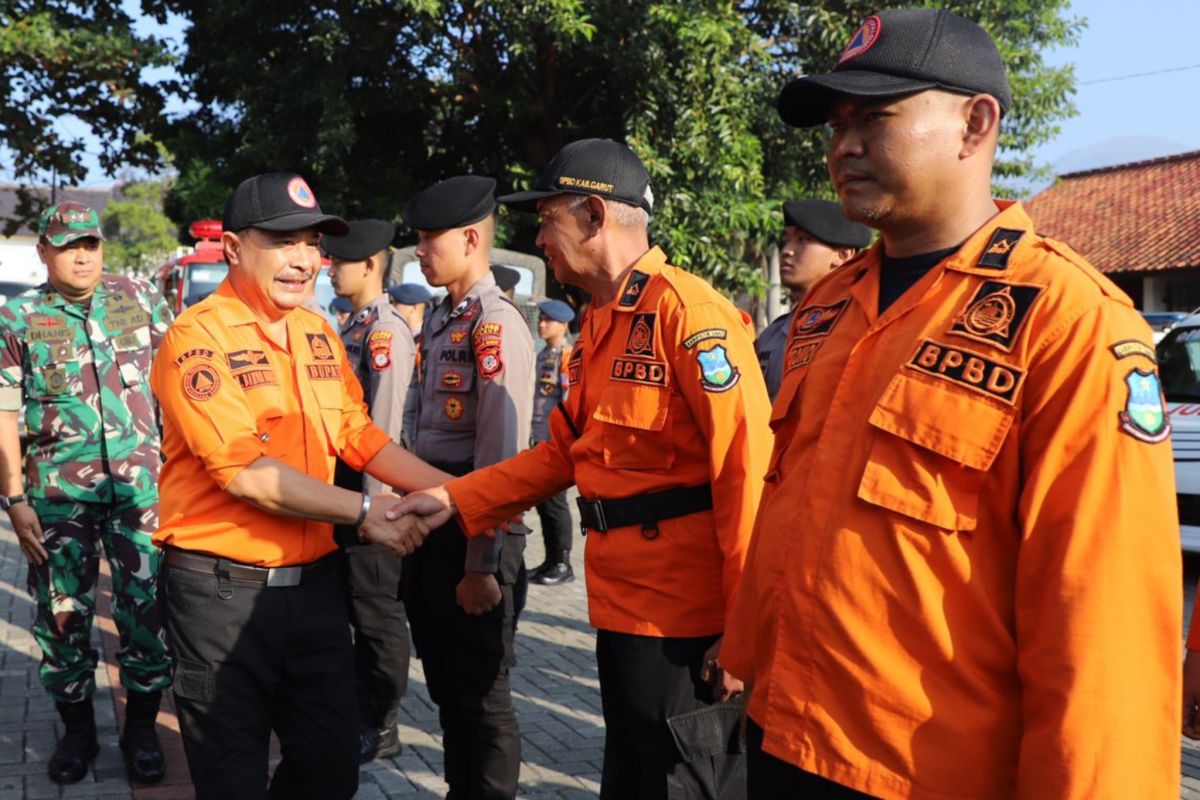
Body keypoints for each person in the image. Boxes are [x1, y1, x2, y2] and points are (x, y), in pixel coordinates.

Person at [716, 9, 1180, 799]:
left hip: (926, 777)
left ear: (976, 124)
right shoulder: (826, 307)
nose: (844, 146)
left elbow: (1104, 636)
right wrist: (742, 659)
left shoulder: (1069, 323)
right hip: (782, 738)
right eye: (836, 124)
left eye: (875, 117)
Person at [394, 138, 772, 799]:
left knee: (679, 783)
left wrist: (745, 633)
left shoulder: (691, 315)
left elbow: (748, 475)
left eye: (548, 218)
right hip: (624, 607)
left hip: (686, 622)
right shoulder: (604, 321)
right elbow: (562, 454)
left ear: (595, 216)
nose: (540, 237)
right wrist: (455, 501)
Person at [149, 172, 445, 800]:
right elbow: (245, 473)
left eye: (313, 242)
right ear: (232, 248)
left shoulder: (317, 332)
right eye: (283, 241)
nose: (305, 259)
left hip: (313, 592)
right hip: (220, 598)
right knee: (231, 778)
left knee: (329, 767)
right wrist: (365, 511)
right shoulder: (194, 339)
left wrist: (457, 493)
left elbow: (358, 435)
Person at [0, 202, 173, 786]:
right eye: (68, 245)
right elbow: (2, 414)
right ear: (44, 251)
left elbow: (177, 382)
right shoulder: (17, 317)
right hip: (56, 498)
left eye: (91, 244)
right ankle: (77, 732)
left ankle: (142, 729)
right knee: (62, 614)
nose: (82, 255)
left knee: (146, 610)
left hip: (141, 490)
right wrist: (14, 499)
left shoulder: (141, 297)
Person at [401, 174, 535, 799]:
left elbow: (500, 457)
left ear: (473, 238)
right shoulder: (441, 318)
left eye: (431, 239)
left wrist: (482, 563)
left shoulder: (494, 322)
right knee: (450, 687)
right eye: (419, 239)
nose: (420, 251)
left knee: (483, 696)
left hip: (476, 532)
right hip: (437, 523)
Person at [323, 219, 417, 762]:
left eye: (339, 262)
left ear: (369, 265)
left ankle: (383, 725)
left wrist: (376, 510)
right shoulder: (353, 326)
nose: (329, 269)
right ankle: (362, 708)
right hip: (346, 497)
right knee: (357, 612)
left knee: (378, 617)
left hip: (373, 501)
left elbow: (378, 433)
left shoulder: (384, 332)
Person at [755, 200, 869, 400]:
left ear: (842, 255)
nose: (787, 251)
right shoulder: (772, 335)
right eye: (786, 240)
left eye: (802, 240)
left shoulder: (861, 328)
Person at [527, 298, 576, 586]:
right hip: (540, 440)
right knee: (544, 503)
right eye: (541, 319)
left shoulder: (567, 357)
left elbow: (569, 406)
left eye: (548, 320)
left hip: (555, 442)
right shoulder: (544, 354)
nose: (542, 324)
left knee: (556, 503)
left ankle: (563, 562)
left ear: (564, 325)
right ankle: (550, 560)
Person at [388, 283, 433, 444]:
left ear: (413, 308)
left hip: (415, 430)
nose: (391, 307)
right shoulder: (402, 336)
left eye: (396, 303)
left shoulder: (427, 340)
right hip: (402, 423)